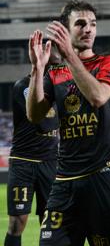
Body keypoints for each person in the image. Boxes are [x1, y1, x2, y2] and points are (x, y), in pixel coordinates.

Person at [26, 0, 110, 245]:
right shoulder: (54, 73)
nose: (89, 29)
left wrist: (67, 55)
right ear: (66, 29)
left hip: (102, 176)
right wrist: (37, 68)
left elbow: (98, 97)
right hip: (64, 180)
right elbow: (34, 115)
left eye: (93, 24)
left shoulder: (109, 63)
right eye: (81, 24)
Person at [3, 49, 61, 246]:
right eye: (54, 66)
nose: (58, 70)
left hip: (51, 163)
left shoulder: (59, 89)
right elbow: (45, 123)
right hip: (24, 162)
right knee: (18, 222)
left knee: (52, 223)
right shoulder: (23, 87)